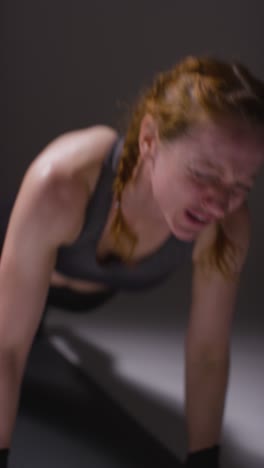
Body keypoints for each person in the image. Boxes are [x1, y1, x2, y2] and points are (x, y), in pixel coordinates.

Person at [0, 56, 264, 468]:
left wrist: (204, 461)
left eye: (241, 185)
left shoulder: (228, 224)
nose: (220, 201)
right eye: (204, 173)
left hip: (77, 294)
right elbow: (7, 348)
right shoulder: (62, 183)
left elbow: (209, 352)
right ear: (149, 139)